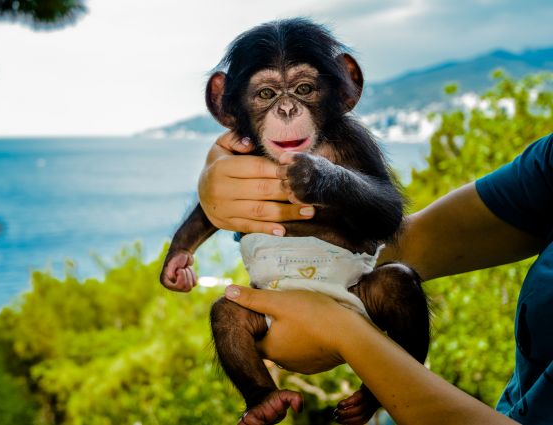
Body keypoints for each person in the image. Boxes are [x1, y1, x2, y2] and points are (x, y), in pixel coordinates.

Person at [197, 131, 553, 424]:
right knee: (226, 312)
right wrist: (222, 198)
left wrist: (341, 332)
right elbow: (405, 240)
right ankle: (260, 396)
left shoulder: (347, 140)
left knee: (399, 281)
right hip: (329, 281)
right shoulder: (548, 165)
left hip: (348, 307)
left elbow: (386, 215)